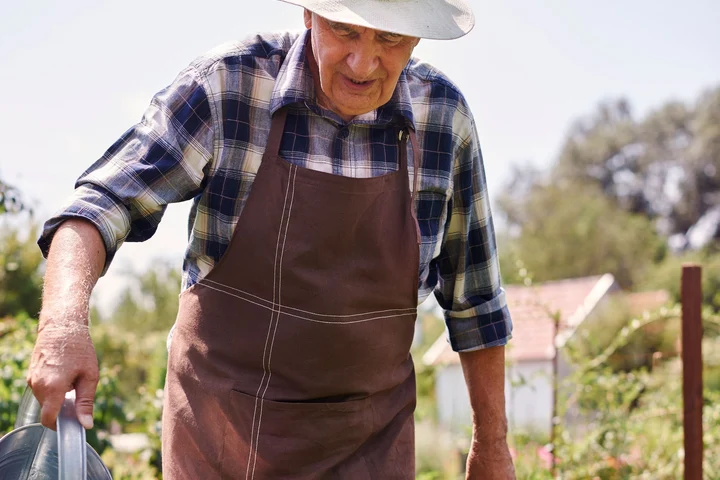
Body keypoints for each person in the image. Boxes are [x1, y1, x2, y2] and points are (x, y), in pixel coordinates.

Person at [27, 0, 515, 478]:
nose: (364, 62)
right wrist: (62, 324)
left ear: (418, 37)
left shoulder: (443, 119)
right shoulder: (231, 84)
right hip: (221, 440)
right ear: (309, 15)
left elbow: (475, 302)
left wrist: (491, 448)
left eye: (389, 38)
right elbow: (101, 204)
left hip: (369, 445)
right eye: (345, 30)